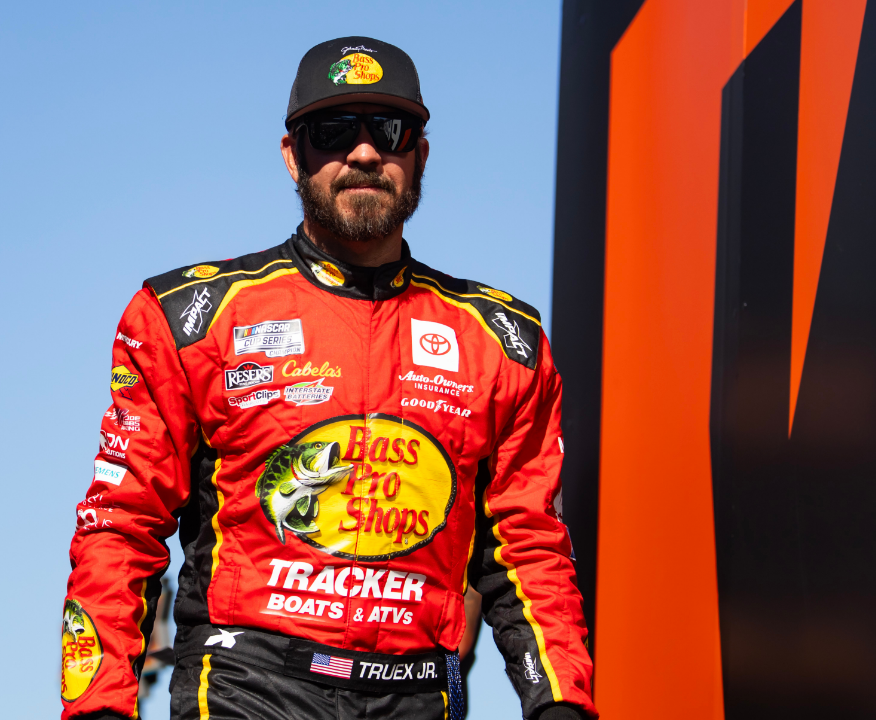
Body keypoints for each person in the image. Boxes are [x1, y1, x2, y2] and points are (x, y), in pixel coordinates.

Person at [59, 36, 595, 720]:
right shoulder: (189, 318)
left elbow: (530, 549)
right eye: (334, 131)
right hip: (245, 686)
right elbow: (119, 525)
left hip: (420, 693)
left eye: (390, 130)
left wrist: (561, 705)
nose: (365, 153)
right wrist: (98, 708)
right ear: (293, 155)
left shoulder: (502, 340)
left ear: (420, 155)